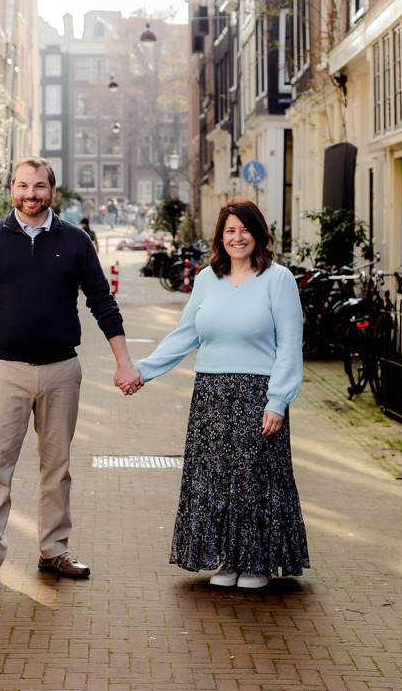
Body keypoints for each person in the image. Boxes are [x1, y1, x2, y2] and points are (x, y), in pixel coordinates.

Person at [0, 158, 141, 593]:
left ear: (52, 191)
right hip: (5, 370)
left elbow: (102, 303)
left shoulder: (76, 242)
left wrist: (124, 361)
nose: (30, 194)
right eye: (22, 186)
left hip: (62, 371)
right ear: (11, 189)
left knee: (56, 467)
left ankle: (53, 550)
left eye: (39, 186)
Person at [122, 199, 308, 589]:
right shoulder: (207, 278)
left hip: (258, 393)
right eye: (229, 231)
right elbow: (185, 334)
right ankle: (226, 561)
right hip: (211, 392)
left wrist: (278, 401)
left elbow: (290, 346)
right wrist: (143, 371)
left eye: (244, 230)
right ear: (220, 237)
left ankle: (256, 564)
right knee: (215, 478)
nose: (237, 238)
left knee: (256, 479)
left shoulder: (278, 279)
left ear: (257, 233)